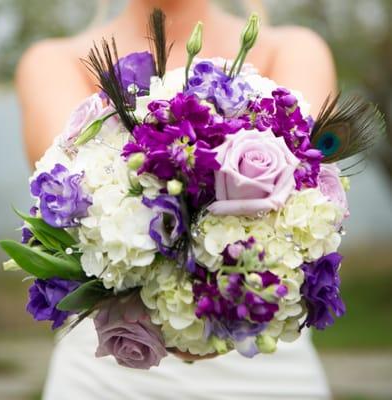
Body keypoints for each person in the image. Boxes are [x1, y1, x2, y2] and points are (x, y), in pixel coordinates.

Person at [17, 1, 336, 398]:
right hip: (109, 373)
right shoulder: (54, 62)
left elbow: (310, 198)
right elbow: (79, 213)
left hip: (268, 369)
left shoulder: (294, 49)